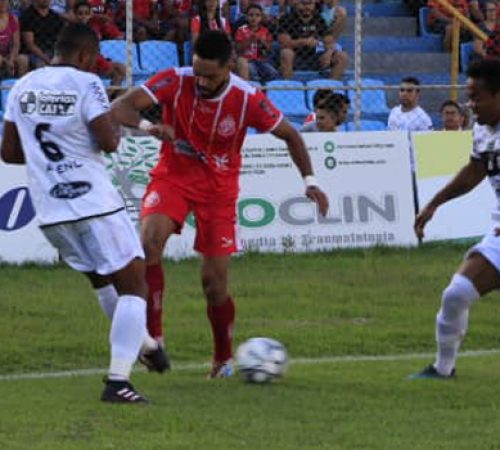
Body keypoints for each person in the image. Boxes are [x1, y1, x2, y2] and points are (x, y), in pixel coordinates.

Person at [110, 30, 329, 378]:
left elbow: (290, 135)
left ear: (229, 67)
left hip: (219, 189)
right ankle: (153, 339)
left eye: (210, 76)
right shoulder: (174, 79)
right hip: (173, 176)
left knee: (214, 284)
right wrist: (150, 125)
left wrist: (311, 182)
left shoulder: (248, 99)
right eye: (197, 72)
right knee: (148, 243)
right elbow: (120, 107)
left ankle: (223, 358)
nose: (201, 81)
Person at [0, 23, 168, 403]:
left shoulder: (23, 86)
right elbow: (108, 142)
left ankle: (145, 345)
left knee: (103, 281)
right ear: (83, 57)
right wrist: (109, 135)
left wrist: (52, 151)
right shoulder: (85, 82)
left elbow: (9, 152)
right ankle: (118, 382)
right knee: (134, 285)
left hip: (50, 210)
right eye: (93, 60)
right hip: (93, 202)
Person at [409, 58, 500, 380]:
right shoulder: (483, 131)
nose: (470, 105)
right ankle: (442, 369)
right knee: (457, 293)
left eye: (477, 97)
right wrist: (434, 203)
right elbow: (476, 170)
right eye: (469, 97)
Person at [278, 0, 348, 80]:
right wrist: (303, 42)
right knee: (286, 53)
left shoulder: (319, 19)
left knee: (342, 56)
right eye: (303, 3)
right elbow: (284, 43)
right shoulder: (287, 19)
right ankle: (289, 87)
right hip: (295, 57)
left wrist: (329, 53)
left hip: (315, 56)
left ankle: (331, 87)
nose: (306, 7)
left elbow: (329, 41)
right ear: (297, 4)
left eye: (310, 3)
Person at [235, 3, 279, 82]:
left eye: (257, 15)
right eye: (251, 15)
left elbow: (269, 49)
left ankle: (267, 89)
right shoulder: (241, 30)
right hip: (247, 60)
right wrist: (250, 40)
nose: (254, 18)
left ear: (261, 17)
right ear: (246, 17)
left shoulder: (265, 31)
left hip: (261, 60)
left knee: (273, 73)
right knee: (252, 72)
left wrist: (262, 41)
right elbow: (238, 48)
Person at [20, 0, 65, 68]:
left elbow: (61, 40)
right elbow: (30, 45)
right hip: (34, 54)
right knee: (41, 65)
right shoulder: (27, 16)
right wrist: (47, 59)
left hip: (53, 52)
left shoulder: (55, 17)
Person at [0, 0, 29, 78]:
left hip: (8, 54)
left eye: (4, 1)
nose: (2, 3)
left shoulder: (13, 19)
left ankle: (20, 87)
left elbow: (16, 44)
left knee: (23, 60)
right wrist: (5, 61)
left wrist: (11, 59)